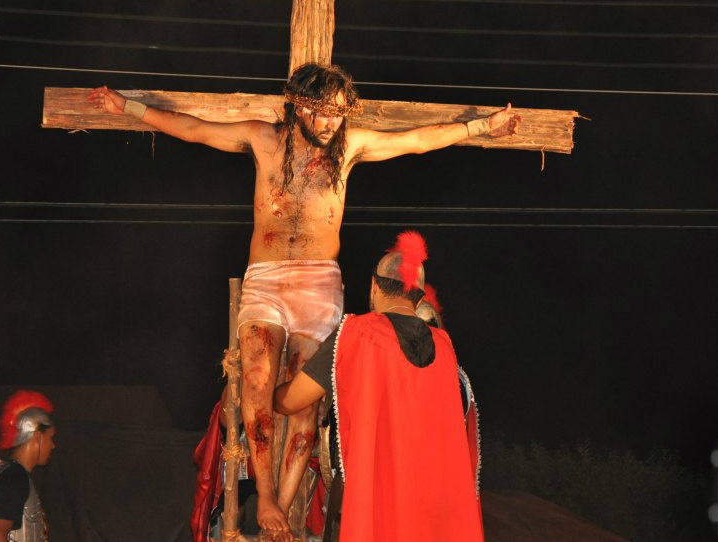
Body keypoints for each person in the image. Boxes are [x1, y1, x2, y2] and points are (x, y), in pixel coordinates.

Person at [91, 63, 518, 533]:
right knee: (256, 375)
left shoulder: (349, 148)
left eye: (338, 114)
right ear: (298, 105)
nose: (331, 123)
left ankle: (280, 508)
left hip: (319, 284)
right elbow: (194, 128)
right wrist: (128, 108)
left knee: (305, 402)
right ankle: (267, 494)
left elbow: (417, 139)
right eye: (321, 113)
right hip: (267, 278)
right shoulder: (263, 140)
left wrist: (483, 126)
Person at [274, 232, 484, 542]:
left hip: (380, 508)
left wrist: (271, 389)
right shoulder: (445, 349)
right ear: (420, 296)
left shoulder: (357, 335)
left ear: (374, 286)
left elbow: (291, 401)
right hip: (436, 517)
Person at [0, 391, 56, 542]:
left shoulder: (9, 473)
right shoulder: (15, 477)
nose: (53, 445)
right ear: (38, 436)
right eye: (51, 438)